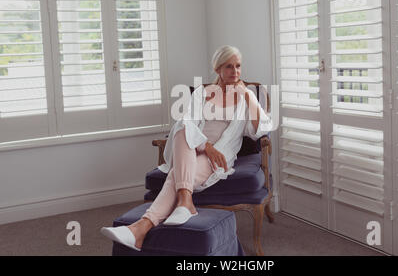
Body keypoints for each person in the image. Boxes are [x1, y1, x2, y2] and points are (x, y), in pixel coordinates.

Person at [101, 45, 273, 251]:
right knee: (182, 126)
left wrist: (248, 96)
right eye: (229, 67)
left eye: (238, 66)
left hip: (218, 157)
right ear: (218, 69)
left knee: (176, 175)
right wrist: (206, 146)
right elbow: (187, 123)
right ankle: (185, 202)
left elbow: (261, 129)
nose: (235, 72)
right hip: (192, 147)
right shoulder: (202, 93)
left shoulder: (246, 98)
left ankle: (141, 228)